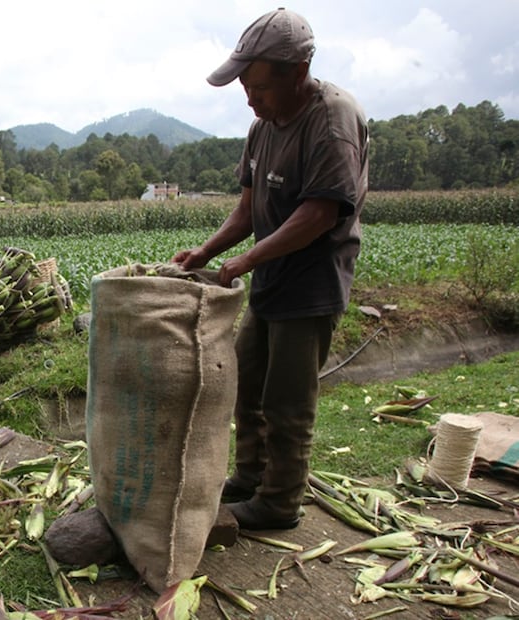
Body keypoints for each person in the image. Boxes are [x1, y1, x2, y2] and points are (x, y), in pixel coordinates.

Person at [171, 8, 369, 530]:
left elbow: (319, 213)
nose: (249, 99)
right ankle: (251, 477)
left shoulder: (331, 121)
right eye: (244, 87)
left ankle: (280, 504)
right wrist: (207, 253)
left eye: (257, 86)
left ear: (296, 73)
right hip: (271, 279)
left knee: (287, 401)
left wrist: (248, 260)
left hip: (312, 283)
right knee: (248, 381)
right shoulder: (263, 128)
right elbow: (247, 210)